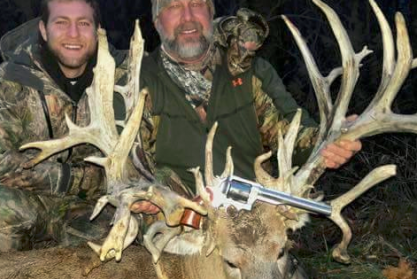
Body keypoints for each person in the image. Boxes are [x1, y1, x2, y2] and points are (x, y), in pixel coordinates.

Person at [128, 0, 362, 214]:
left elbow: (294, 134)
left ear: (211, 13)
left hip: (253, 221)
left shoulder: (254, 73)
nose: (188, 16)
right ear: (157, 21)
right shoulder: (134, 82)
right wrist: (144, 192)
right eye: (174, 6)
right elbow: (128, 164)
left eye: (197, 4)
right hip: (178, 225)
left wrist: (330, 142)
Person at [0, 0, 129, 256]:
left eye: (83, 23)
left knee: (114, 236)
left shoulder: (124, 80)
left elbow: (141, 162)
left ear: (98, 31)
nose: (73, 34)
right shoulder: (8, 81)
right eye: (61, 23)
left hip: (93, 205)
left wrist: (97, 182)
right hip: (27, 198)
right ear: (43, 29)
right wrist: (65, 178)